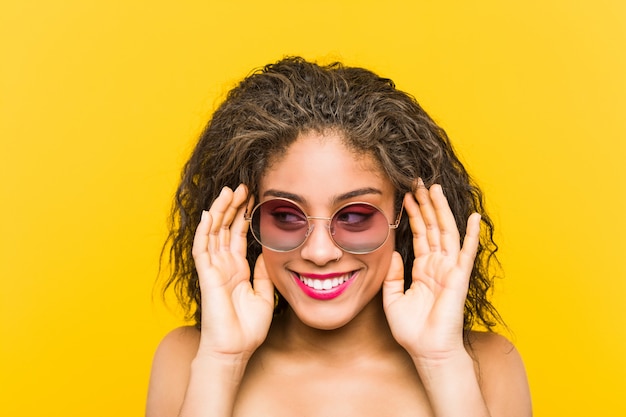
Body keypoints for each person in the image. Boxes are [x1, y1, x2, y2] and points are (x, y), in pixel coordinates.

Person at [146, 57, 532, 417]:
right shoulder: (189, 360)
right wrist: (222, 361)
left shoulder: (487, 366)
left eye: (354, 216)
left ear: (405, 215)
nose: (319, 251)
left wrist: (442, 362)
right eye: (285, 215)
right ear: (247, 222)